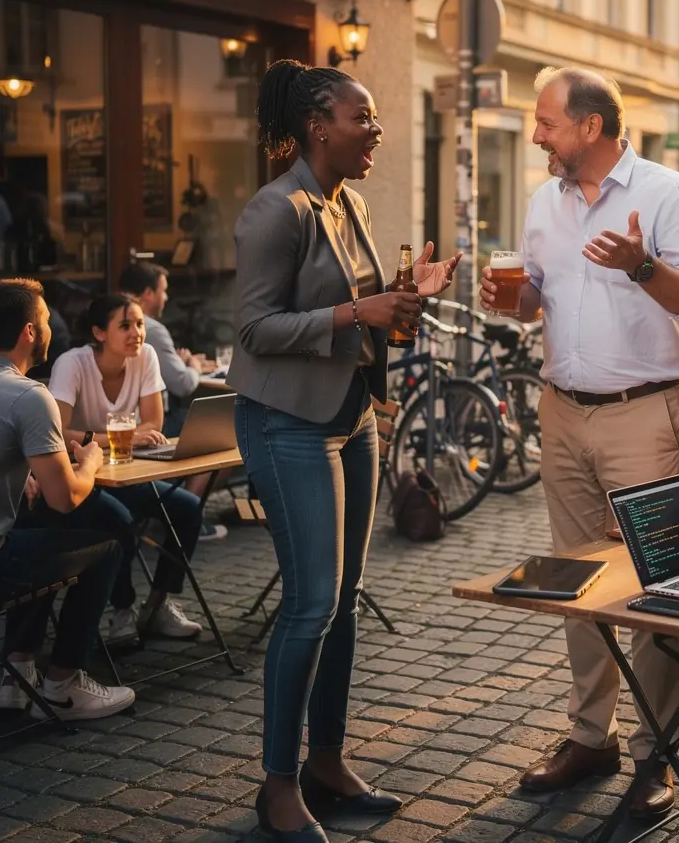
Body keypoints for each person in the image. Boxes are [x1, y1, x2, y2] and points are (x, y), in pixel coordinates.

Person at [230, 59, 461, 841]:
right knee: (309, 604)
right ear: (317, 126)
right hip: (285, 420)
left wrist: (406, 301)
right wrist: (355, 309)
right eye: (362, 117)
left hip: (350, 414)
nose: (376, 130)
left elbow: (365, 313)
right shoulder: (276, 209)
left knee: (345, 599)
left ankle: (326, 762)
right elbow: (255, 330)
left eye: (375, 117)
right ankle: (277, 784)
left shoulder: (347, 203)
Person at [480, 66, 679, 819]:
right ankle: (593, 735)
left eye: (547, 124)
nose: (538, 136)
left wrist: (640, 265)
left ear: (591, 127)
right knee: (577, 583)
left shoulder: (667, 193)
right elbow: (537, 303)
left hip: (642, 414)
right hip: (562, 409)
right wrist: (512, 301)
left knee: (659, 585)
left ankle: (658, 753)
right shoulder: (542, 202)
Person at [0, 279, 135, 719]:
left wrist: (25, 476)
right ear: (29, 333)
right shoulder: (27, 395)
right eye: (45, 319)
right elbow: (66, 498)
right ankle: (62, 684)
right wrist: (91, 460)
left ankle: (15, 674)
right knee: (106, 547)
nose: (52, 327)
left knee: (37, 527)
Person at [39, 294, 204, 644]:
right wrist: (114, 440)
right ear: (99, 333)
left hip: (126, 473)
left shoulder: (146, 357)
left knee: (189, 510)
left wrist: (104, 439)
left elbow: (154, 422)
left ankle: (157, 605)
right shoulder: (73, 364)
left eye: (140, 324)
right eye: (125, 326)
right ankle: (122, 611)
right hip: (82, 477)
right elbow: (57, 432)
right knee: (120, 522)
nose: (137, 333)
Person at [118, 261, 226, 542]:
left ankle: (178, 511)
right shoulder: (149, 328)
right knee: (225, 432)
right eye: (163, 291)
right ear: (148, 293)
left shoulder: (129, 328)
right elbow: (182, 383)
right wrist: (190, 364)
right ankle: (180, 519)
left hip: (139, 426)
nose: (167, 298)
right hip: (143, 430)